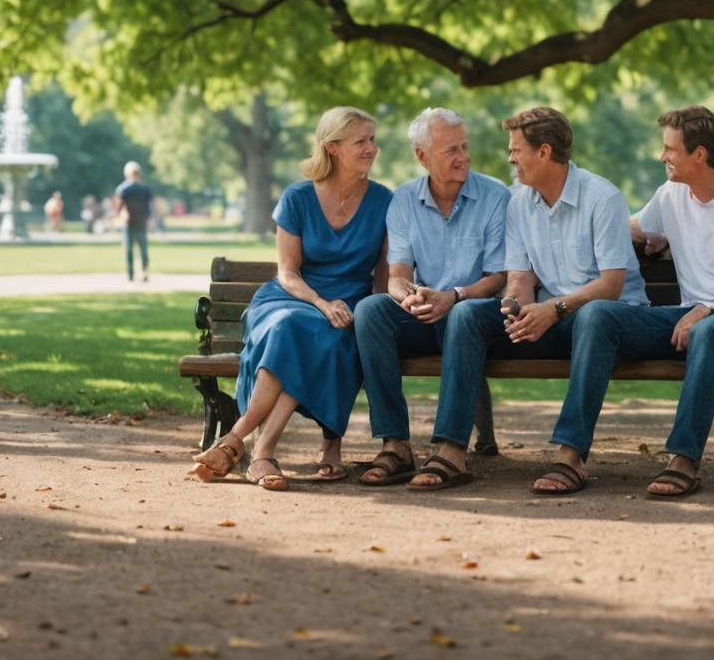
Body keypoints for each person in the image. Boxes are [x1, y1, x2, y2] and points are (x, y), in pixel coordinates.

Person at [405, 105, 647, 493]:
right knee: (467, 315)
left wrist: (553, 308)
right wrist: (515, 308)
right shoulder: (519, 201)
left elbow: (611, 286)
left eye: (516, 150)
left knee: (595, 315)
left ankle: (570, 456)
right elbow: (520, 278)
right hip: (553, 317)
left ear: (545, 152)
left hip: (612, 322)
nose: (510, 158)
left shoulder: (602, 198)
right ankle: (451, 450)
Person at [564, 105, 714, 499]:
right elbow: (628, 227)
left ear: (698, 154)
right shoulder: (670, 196)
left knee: (710, 330)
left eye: (669, 149)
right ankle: (570, 453)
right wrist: (640, 238)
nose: (661, 156)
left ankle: (683, 458)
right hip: (689, 318)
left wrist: (712, 309)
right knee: (598, 314)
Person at [189, 107, 391, 491]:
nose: (372, 148)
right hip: (291, 297)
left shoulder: (383, 200)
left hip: (348, 304)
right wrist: (320, 302)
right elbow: (288, 273)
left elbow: (382, 276)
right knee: (293, 328)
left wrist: (373, 314)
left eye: (372, 139)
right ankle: (256, 448)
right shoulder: (298, 197)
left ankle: (240, 442)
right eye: (361, 141)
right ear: (332, 148)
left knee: (316, 336)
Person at [352, 107, 509, 486]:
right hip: (427, 312)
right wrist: (405, 296)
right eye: (451, 150)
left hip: (476, 314)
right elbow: (397, 274)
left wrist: (453, 296)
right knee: (371, 310)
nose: (463, 157)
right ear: (422, 157)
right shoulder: (404, 200)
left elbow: (499, 277)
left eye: (465, 147)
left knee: (464, 315)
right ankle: (396, 446)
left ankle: (452, 451)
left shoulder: (495, 196)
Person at [113, 162, 154, 281]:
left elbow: (119, 206)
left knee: (131, 249)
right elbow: (149, 207)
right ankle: (142, 272)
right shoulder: (145, 188)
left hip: (131, 222)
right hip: (138, 221)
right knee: (142, 249)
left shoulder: (123, 189)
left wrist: (118, 216)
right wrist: (149, 218)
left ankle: (132, 273)